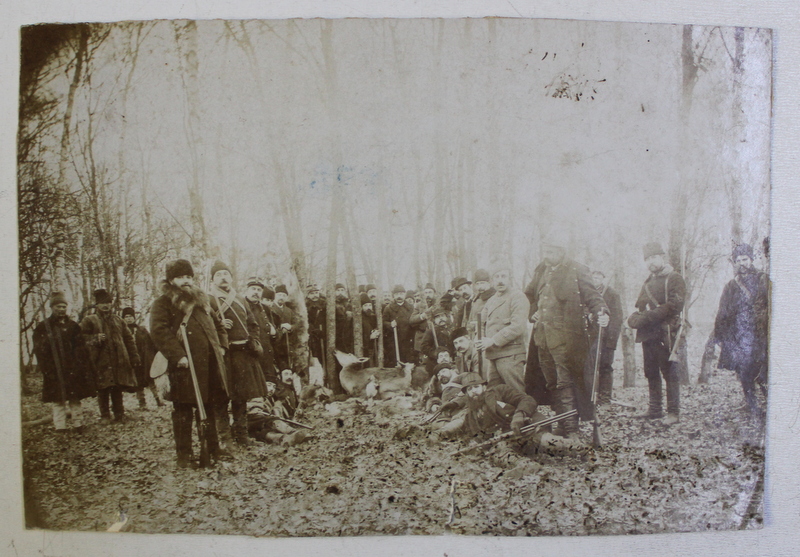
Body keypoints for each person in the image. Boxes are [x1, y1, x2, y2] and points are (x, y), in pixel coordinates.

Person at [524, 233, 609, 440]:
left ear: (561, 251)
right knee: (551, 382)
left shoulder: (577, 269)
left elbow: (593, 296)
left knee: (566, 382)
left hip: (567, 338)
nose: (547, 255)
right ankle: (561, 424)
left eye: (551, 251)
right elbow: (528, 295)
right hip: (542, 337)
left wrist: (603, 313)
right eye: (545, 250)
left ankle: (571, 429)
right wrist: (532, 311)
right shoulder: (541, 270)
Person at [150, 259, 230, 467]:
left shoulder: (202, 300)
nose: (186, 281)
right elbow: (159, 332)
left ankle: (213, 448)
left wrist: (221, 346)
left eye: (188, 276)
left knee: (209, 407)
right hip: (185, 366)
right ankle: (184, 455)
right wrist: (178, 356)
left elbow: (218, 325)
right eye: (180, 277)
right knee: (183, 410)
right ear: (171, 279)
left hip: (209, 364)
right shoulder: (163, 303)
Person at [208, 260, 268, 447]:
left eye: (226, 274)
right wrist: (218, 323)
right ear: (212, 280)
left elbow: (253, 324)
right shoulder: (208, 299)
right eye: (219, 275)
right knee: (221, 398)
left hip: (243, 355)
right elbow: (204, 326)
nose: (223, 277)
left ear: (232, 278)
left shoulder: (241, 299)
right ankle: (225, 439)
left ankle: (242, 437)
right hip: (223, 355)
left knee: (241, 397)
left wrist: (254, 341)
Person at [627, 242, 686, 425]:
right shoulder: (648, 283)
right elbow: (640, 306)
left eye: (654, 257)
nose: (651, 262)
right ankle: (655, 409)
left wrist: (649, 316)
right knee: (650, 372)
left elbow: (675, 305)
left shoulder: (674, 278)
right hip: (649, 335)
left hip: (666, 332)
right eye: (647, 259)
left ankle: (673, 413)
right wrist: (633, 318)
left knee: (669, 373)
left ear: (662, 257)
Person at [712, 243, 769, 419]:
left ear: (751, 260)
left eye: (745, 259)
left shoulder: (763, 280)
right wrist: (719, 335)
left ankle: (769, 401)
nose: (742, 263)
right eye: (738, 260)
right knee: (744, 370)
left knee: (761, 368)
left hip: (760, 333)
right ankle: (751, 404)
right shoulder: (731, 285)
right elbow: (723, 311)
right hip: (739, 335)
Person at [32, 292, 96, 432]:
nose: (61, 309)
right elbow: (40, 350)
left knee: (75, 397)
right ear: (52, 307)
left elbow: (81, 347)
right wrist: (47, 369)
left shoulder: (73, 326)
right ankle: (60, 426)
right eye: (58, 306)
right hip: (54, 369)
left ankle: (78, 424)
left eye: (63, 306)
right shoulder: (44, 327)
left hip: (73, 369)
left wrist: (80, 365)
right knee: (58, 399)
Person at [80, 288, 140, 423]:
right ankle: (105, 415)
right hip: (100, 361)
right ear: (97, 305)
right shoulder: (90, 320)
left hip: (118, 361)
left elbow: (129, 340)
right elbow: (80, 338)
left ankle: (119, 414)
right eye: (102, 303)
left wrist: (134, 357)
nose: (105, 305)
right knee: (103, 388)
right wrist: (95, 338)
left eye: (108, 302)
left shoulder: (119, 320)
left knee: (117, 388)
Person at [476, 262, 530, 394]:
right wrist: (480, 338)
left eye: (504, 276)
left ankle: (523, 414)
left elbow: (518, 326)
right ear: (492, 280)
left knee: (516, 392)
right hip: (493, 354)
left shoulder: (518, 297)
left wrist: (492, 340)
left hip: (511, 354)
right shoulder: (491, 300)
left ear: (510, 278)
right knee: (493, 394)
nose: (500, 280)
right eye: (497, 277)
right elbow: (481, 323)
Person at [438, 373, 540, 438]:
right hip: (509, 439)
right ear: (467, 394)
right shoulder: (472, 414)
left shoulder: (500, 391)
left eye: (476, 387)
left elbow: (527, 399)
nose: (473, 391)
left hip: (529, 426)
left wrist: (520, 415)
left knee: (548, 442)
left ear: (484, 387)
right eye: (469, 389)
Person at [586, 270, 624, 406]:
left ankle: (605, 398)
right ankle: (590, 397)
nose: (595, 279)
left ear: (603, 278)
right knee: (589, 367)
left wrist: (611, 340)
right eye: (593, 277)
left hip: (606, 337)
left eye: (598, 277)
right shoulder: (586, 293)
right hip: (589, 337)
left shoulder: (612, 294)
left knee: (605, 367)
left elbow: (617, 318)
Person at [121, 307, 163, 409]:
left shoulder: (141, 330)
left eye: (131, 316)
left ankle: (158, 400)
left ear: (134, 318)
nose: (129, 319)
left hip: (144, 359)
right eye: (126, 317)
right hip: (132, 360)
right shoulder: (122, 332)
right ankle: (142, 403)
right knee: (138, 383)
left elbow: (151, 342)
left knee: (150, 380)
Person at [244, 277, 279, 384]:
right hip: (249, 355)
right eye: (253, 289)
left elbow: (273, 331)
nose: (256, 292)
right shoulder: (240, 305)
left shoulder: (265, 309)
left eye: (259, 290)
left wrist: (274, 332)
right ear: (247, 290)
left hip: (266, 355)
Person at [382, 285, 415, 366]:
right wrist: (390, 325)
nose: (399, 296)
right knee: (396, 364)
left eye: (401, 294)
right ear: (393, 296)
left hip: (408, 341)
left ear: (404, 294)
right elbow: (383, 322)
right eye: (397, 294)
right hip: (394, 340)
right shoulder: (388, 308)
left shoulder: (410, 308)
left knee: (409, 364)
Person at [420, 307, 455, 376]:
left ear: (446, 317)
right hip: (435, 364)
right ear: (434, 320)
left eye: (442, 316)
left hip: (449, 362)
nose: (441, 319)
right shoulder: (431, 332)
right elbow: (423, 347)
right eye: (437, 317)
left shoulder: (451, 330)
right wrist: (435, 354)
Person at [305, 284, 326, 366]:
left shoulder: (325, 304)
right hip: (313, 337)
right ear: (308, 295)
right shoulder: (305, 307)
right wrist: (313, 330)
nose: (315, 295)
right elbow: (305, 322)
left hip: (324, 335)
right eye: (312, 293)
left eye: (316, 293)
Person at [360, 292, 381, 365]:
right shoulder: (358, 319)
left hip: (373, 349)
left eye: (370, 305)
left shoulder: (373, 317)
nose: (368, 307)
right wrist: (369, 337)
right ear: (361, 307)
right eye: (365, 305)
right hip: (363, 351)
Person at [334, 283, 354, 353]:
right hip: (337, 333)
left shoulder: (349, 304)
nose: (340, 292)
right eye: (338, 290)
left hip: (348, 333)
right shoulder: (332, 304)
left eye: (342, 290)